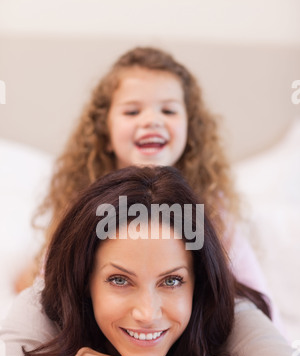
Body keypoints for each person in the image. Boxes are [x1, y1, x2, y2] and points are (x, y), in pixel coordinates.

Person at [1, 166, 299, 356]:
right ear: (84, 281)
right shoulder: (46, 303)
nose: (147, 313)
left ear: (198, 282)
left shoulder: (227, 309)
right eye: (119, 280)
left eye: (172, 281)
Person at [16, 47, 281, 329]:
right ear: (105, 134)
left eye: (168, 110)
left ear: (190, 132)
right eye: (132, 111)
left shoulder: (212, 211)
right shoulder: (82, 208)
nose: (152, 120)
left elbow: (258, 304)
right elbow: (47, 290)